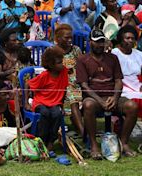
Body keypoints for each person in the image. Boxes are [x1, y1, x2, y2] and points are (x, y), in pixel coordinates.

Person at [77, 29, 139, 159]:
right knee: (88, 105)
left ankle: (123, 142)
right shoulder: (83, 59)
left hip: (112, 96)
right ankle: (94, 145)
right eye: (97, 42)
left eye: (102, 42)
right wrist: (100, 101)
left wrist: (115, 98)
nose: (100, 45)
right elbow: (84, 86)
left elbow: (118, 81)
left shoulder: (112, 58)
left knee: (132, 106)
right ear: (90, 43)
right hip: (94, 98)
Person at [25, 48, 68, 153]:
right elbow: (27, 84)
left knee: (57, 114)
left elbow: (64, 89)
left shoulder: (64, 72)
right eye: (59, 63)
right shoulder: (44, 75)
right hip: (41, 102)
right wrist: (26, 103)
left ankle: (51, 141)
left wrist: (61, 105)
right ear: (51, 65)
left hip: (55, 103)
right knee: (44, 113)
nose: (62, 65)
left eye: (62, 62)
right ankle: (42, 139)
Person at [53, 23, 84, 136]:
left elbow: (82, 67)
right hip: (59, 83)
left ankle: (78, 125)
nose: (70, 40)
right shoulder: (52, 51)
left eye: (71, 37)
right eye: (66, 37)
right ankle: (82, 132)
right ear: (58, 38)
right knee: (72, 97)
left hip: (76, 82)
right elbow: (49, 70)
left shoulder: (76, 50)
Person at [112, 25, 142, 117]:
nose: (130, 41)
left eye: (133, 38)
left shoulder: (139, 54)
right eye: (127, 38)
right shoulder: (114, 53)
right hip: (121, 86)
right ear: (121, 39)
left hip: (137, 85)